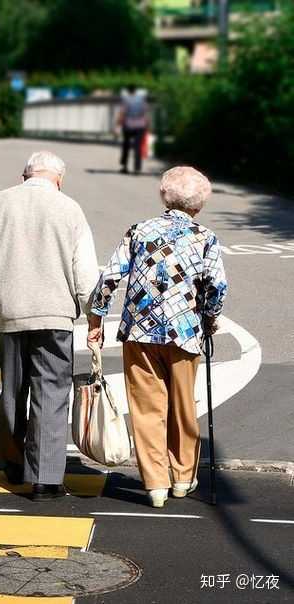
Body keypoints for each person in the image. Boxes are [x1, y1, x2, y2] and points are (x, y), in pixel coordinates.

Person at [0, 151, 99, 501]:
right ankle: (47, 479)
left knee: (12, 388)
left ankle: (13, 461)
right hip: (55, 316)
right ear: (59, 180)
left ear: (24, 176)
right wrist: (94, 315)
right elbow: (86, 273)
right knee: (51, 392)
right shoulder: (70, 209)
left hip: (7, 313)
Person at [88, 166, 227, 508]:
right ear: (199, 204)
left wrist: (97, 316)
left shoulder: (139, 231)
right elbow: (216, 286)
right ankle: (183, 477)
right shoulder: (205, 237)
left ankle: (155, 485)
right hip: (184, 332)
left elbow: (110, 276)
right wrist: (209, 319)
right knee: (183, 406)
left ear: (165, 195)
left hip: (140, 331)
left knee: (147, 409)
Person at [117, 85, 149, 174]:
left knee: (126, 146)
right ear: (136, 91)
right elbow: (146, 114)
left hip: (128, 126)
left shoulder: (126, 100)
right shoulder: (142, 100)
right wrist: (148, 126)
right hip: (140, 126)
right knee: (137, 147)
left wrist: (117, 125)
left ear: (128, 91)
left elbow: (122, 113)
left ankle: (124, 167)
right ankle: (137, 168)